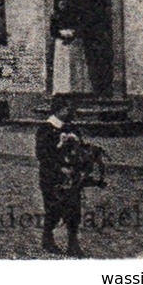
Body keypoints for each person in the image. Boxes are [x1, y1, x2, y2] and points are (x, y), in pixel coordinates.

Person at [37, 96, 84, 256]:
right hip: (52, 178)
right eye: (69, 109)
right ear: (60, 110)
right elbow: (43, 156)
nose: (72, 113)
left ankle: (73, 243)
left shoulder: (72, 129)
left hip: (72, 177)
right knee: (53, 209)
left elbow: (81, 150)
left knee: (74, 209)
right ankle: (47, 238)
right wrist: (60, 170)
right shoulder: (46, 129)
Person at [50, 0, 92, 96]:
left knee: (75, 64)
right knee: (62, 65)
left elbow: (80, 28)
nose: (62, 7)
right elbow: (53, 31)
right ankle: (62, 88)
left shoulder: (74, 16)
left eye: (64, 4)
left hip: (74, 42)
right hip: (61, 43)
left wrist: (73, 36)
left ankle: (77, 88)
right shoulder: (55, 17)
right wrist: (62, 36)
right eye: (61, 4)